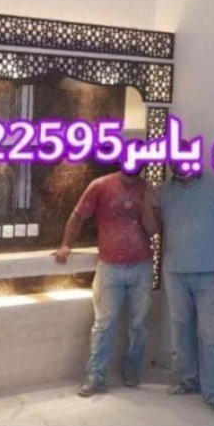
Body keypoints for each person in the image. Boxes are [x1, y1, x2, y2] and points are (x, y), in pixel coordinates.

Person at [145, 162, 214, 421]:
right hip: (175, 271)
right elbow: (154, 229)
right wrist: (147, 200)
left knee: (211, 334)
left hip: (211, 272)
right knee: (181, 329)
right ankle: (188, 381)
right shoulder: (165, 191)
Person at [54, 168, 155, 397]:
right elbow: (78, 215)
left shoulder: (147, 189)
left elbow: (153, 230)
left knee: (139, 323)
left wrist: (147, 202)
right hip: (110, 266)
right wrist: (66, 244)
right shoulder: (100, 185)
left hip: (142, 266)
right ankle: (96, 375)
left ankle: (132, 369)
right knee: (104, 323)